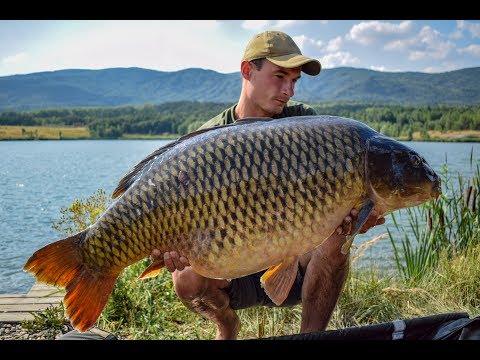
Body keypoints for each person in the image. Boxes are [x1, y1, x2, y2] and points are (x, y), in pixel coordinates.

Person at [59, 30, 385, 340]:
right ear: (247, 71)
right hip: (230, 266)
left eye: (295, 81)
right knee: (184, 278)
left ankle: (311, 336)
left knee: (336, 241)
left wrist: (353, 216)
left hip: (295, 261)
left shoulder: (307, 127)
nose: (289, 90)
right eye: (280, 77)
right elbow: (163, 211)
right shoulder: (210, 139)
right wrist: (169, 246)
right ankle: (227, 325)